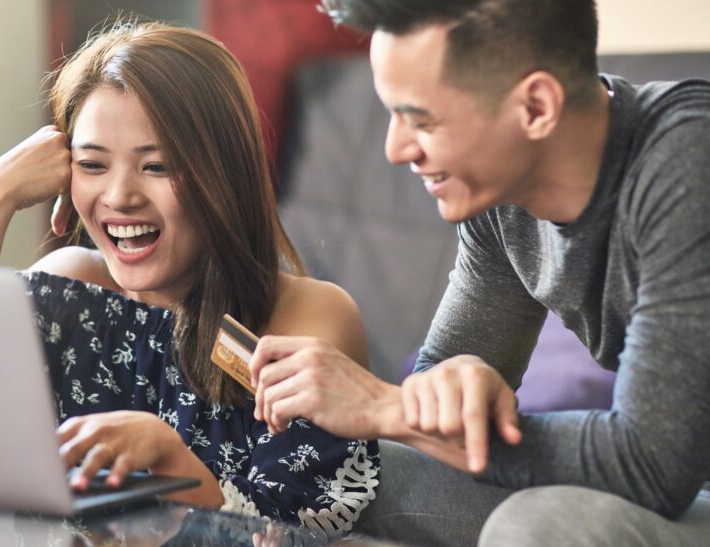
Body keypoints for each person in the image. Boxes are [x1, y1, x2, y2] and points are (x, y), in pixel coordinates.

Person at [250, 0, 710, 545]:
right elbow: (432, 401)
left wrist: (381, 404)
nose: (395, 149)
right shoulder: (504, 201)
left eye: (420, 119)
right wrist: (455, 388)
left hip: (677, 483)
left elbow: (651, 463)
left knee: (537, 528)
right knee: (340, 474)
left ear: (537, 107)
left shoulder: (686, 158)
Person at [0, 21, 379, 536]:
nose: (121, 196)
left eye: (157, 166)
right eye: (92, 165)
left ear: (224, 174)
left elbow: (297, 535)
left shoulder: (308, 320)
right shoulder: (71, 291)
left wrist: (172, 462)